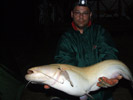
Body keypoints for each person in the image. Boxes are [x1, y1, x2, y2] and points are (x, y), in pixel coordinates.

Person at [44, 1, 122, 100]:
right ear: (72, 14)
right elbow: (64, 62)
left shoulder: (100, 32)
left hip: (102, 93)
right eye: (77, 13)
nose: (81, 17)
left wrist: (112, 75)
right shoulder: (66, 38)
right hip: (76, 93)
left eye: (85, 13)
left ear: (90, 15)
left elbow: (110, 54)